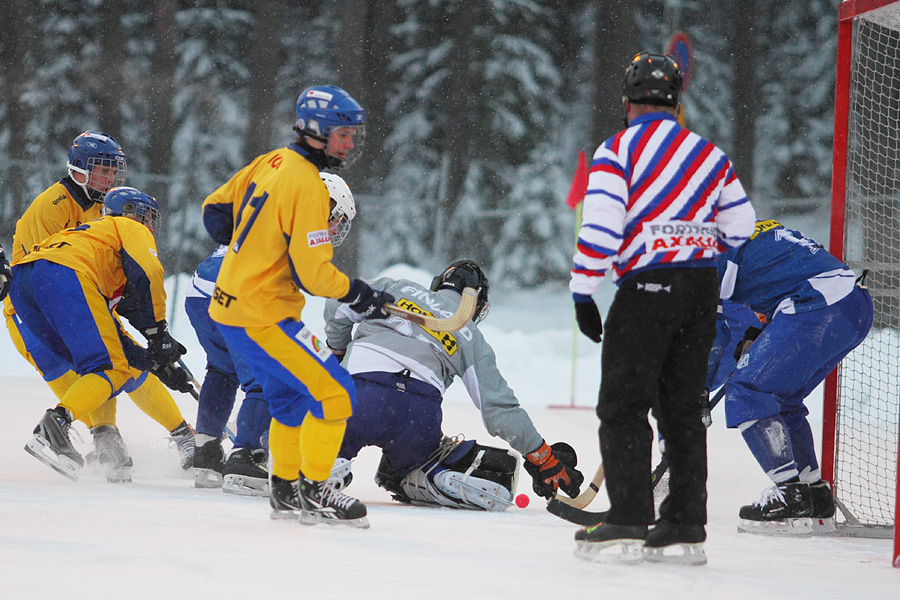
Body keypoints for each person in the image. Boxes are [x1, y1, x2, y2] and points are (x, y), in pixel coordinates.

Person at [569, 52, 756, 564]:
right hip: (699, 288)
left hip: (646, 287)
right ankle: (684, 525)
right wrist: (697, 242)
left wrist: (583, 291)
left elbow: (601, 229)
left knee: (624, 404)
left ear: (627, 103)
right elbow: (742, 227)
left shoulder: (617, 150)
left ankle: (628, 517)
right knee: (681, 410)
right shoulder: (708, 155)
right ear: (676, 102)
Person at [202, 85, 391, 528]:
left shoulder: (271, 161)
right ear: (314, 132)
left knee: (287, 400)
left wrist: (256, 245)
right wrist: (361, 294)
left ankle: (285, 489)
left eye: (352, 135)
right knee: (337, 391)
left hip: (233, 311)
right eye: (342, 135)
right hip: (260, 316)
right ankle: (315, 489)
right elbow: (314, 274)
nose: (350, 144)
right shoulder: (308, 185)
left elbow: (215, 212)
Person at [3, 132, 195, 482]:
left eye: (113, 172)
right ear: (78, 169)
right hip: (35, 303)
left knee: (112, 364)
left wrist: (152, 354)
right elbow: (42, 264)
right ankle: (75, 428)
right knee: (101, 366)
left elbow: (116, 294)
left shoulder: (101, 213)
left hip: (63, 291)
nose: (108, 179)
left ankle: (108, 439)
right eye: (101, 170)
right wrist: (159, 333)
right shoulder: (57, 205)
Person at [323, 260, 585, 511]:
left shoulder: (396, 287)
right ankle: (430, 474)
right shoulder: (469, 334)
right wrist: (543, 457)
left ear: (439, 285)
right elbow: (499, 410)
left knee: (319, 432)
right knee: (415, 462)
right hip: (417, 417)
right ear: (477, 304)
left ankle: (322, 464)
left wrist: (337, 350)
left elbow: (338, 299)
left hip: (358, 397)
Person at [187, 172, 358, 496]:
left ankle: (206, 454)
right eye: (336, 219)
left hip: (202, 291)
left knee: (223, 370)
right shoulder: (302, 220)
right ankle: (245, 458)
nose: (335, 229)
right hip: (241, 298)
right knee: (271, 374)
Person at [706, 219, 873, 535]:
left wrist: (696, 391)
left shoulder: (708, 249)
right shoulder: (750, 228)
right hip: (854, 306)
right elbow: (788, 274)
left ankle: (789, 495)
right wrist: (758, 334)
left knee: (746, 390)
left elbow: (710, 331)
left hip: (818, 306)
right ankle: (813, 494)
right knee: (780, 398)